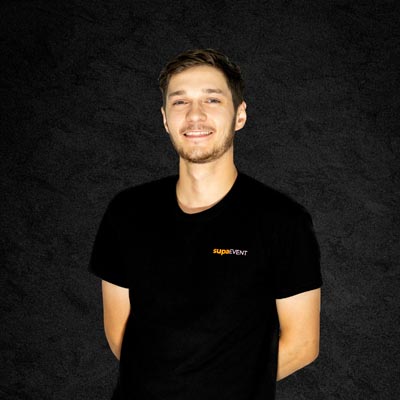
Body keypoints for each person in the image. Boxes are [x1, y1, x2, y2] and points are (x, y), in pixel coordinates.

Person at [89, 48, 322, 400]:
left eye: (212, 100)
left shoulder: (283, 220)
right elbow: (120, 333)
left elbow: (302, 344)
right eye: (180, 102)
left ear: (239, 115)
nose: (194, 115)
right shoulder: (127, 212)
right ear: (165, 118)